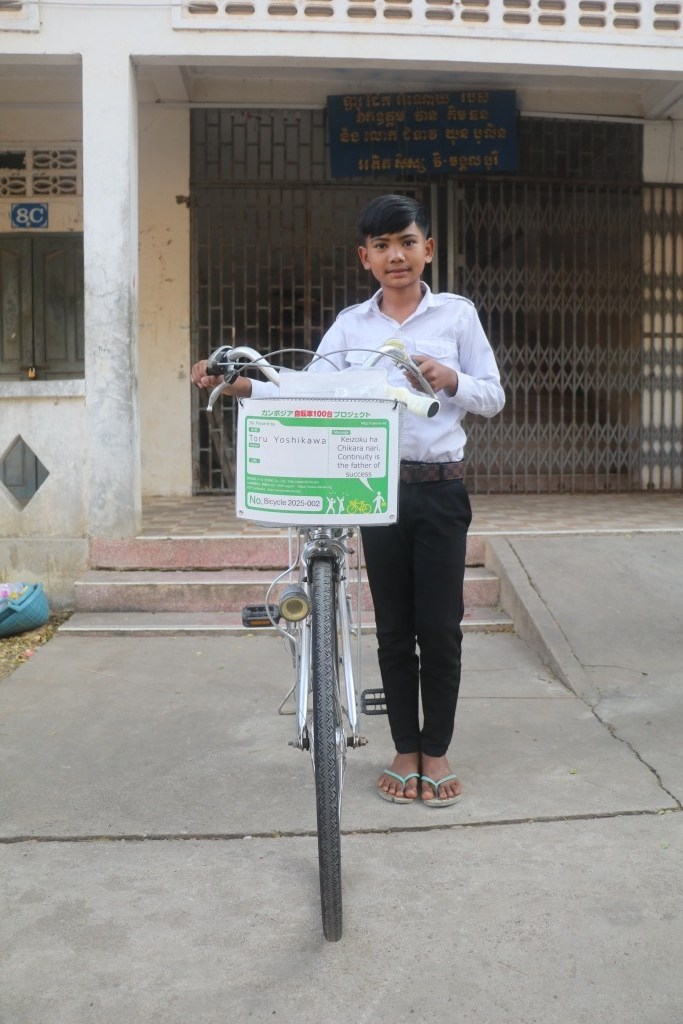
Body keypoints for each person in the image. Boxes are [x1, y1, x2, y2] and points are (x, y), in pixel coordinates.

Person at [191, 193, 505, 807]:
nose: (397, 256)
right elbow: (310, 388)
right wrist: (243, 386)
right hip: (374, 491)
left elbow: (493, 396)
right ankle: (405, 750)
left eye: (407, 243)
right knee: (393, 629)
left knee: (440, 628)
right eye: (383, 246)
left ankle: (437, 750)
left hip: (440, 490)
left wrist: (453, 380)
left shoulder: (457, 316)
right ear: (365, 257)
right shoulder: (351, 326)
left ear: (428, 249)